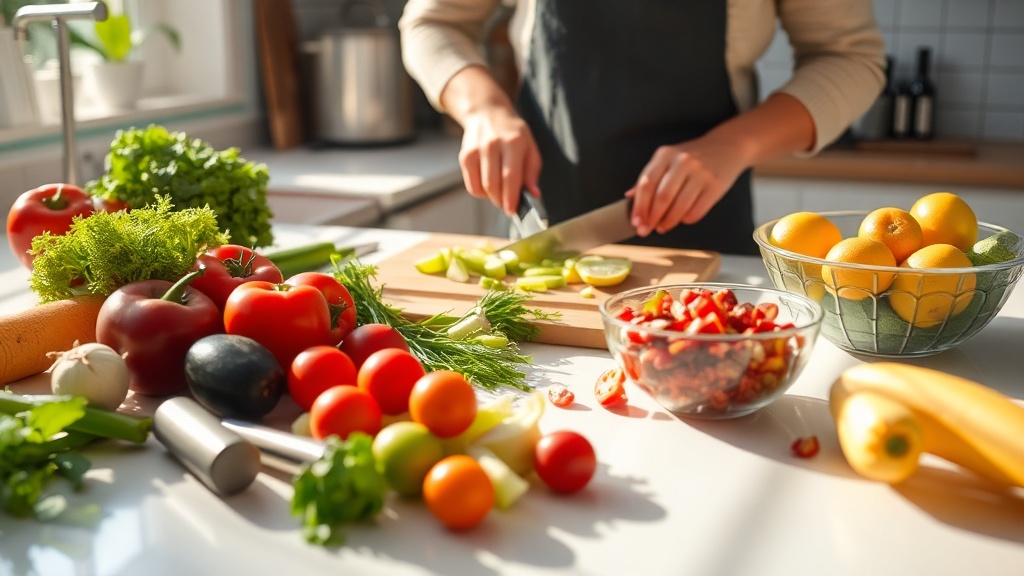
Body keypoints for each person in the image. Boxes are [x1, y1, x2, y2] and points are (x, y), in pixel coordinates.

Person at [399, 0, 886, 254]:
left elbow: (849, 58)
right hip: (551, 217)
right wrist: (483, 108)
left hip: (708, 233)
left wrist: (734, 144)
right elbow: (432, 23)